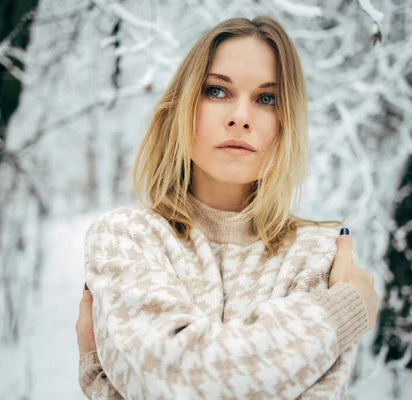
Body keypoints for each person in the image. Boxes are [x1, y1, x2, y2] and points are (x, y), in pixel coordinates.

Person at [75, 15, 378, 400]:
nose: (240, 117)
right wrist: (339, 314)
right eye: (217, 91)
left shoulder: (316, 255)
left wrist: (107, 388)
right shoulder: (126, 237)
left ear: (286, 122)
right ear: (182, 105)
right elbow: (176, 378)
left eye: (266, 99)